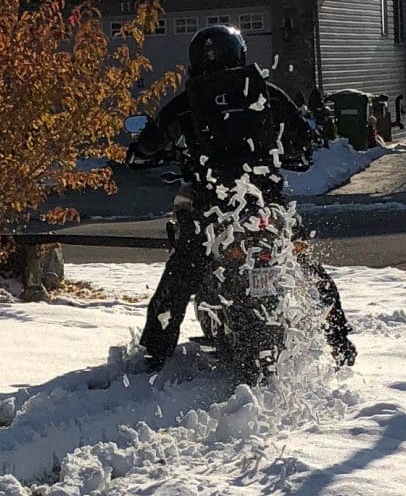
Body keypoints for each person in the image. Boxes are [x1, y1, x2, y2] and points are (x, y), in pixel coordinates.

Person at [127, 24, 356, 372]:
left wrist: (148, 151)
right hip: (266, 207)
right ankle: (340, 342)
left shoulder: (188, 103)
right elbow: (302, 152)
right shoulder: (267, 94)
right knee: (307, 266)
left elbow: (144, 151)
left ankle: (154, 357)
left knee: (179, 279)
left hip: (211, 211)